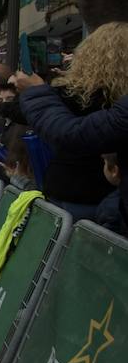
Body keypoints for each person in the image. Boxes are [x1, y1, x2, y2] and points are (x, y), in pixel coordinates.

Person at [14, 21, 128, 227]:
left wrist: (34, 90)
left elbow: (69, 134)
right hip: (98, 196)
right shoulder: (80, 95)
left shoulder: (72, 94)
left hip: (78, 195)